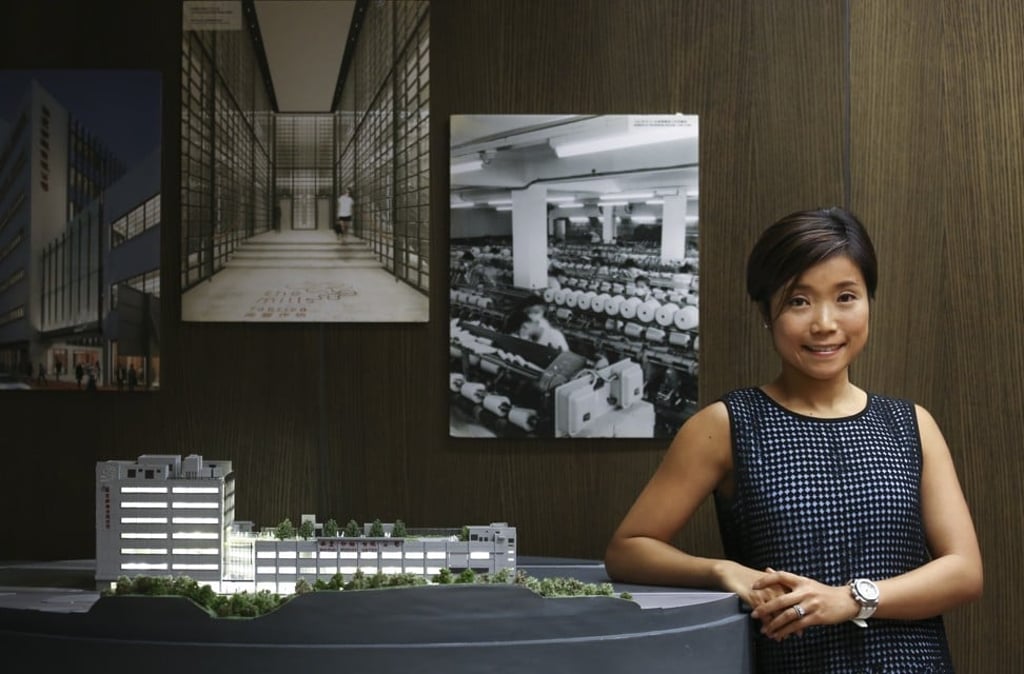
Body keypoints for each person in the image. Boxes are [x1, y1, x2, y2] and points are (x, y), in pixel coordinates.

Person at [604, 207, 982, 673]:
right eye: (799, 301)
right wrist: (723, 570)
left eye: (846, 296)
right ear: (767, 312)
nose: (824, 323)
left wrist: (852, 600)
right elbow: (628, 549)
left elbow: (964, 571)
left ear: (870, 301)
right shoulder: (725, 424)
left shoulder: (911, 423)